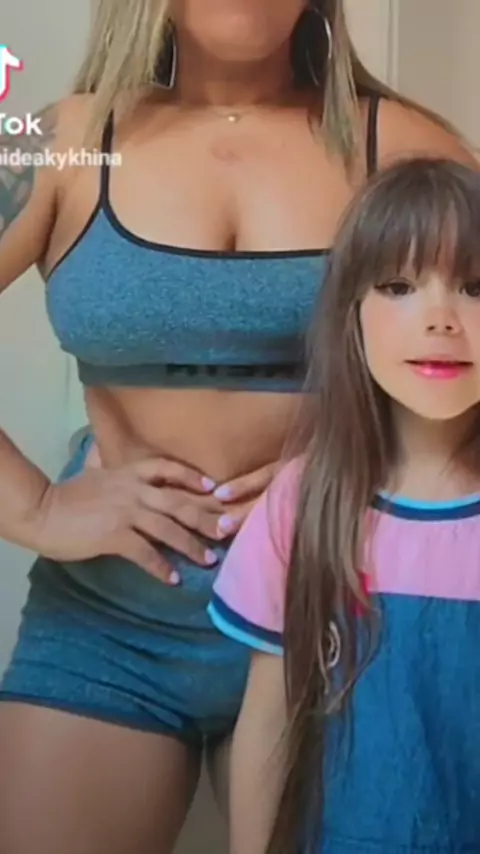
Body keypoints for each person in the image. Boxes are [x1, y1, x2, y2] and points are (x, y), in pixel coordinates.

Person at [0, 0, 477, 849]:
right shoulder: (52, 141)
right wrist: (36, 508)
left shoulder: (409, 145)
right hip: (111, 631)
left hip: (342, 630)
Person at [208, 157, 480, 854]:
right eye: (398, 286)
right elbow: (267, 720)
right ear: (350, 316)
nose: (442, 319)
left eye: (475, 288)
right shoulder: (304, 501)